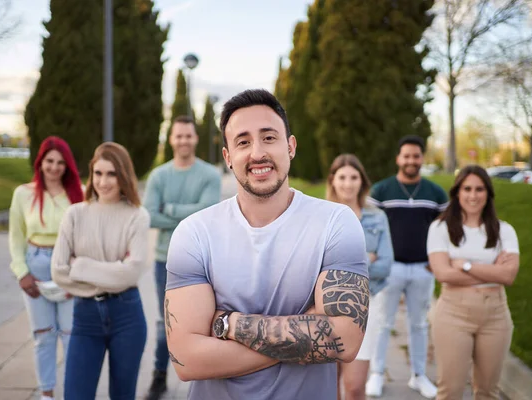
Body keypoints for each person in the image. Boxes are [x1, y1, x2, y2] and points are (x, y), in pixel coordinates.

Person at [163, 89, 369, 400]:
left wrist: (227, 324)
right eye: (243, 142)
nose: (257, 152)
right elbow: (187, 360)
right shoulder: (194, 233)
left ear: (291, 146)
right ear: (228, 157)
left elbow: (347, 341)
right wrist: (307, 334)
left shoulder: (336, 223)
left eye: (269, 137)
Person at [51, 142, 150, 399]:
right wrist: (111, 273)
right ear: (91, 173)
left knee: (122, 395)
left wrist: (80, 266)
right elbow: (58, 272)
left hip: (127, 316)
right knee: (75, 394)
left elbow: (132, 272)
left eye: (111, 174)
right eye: (98, 173)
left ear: (123, 175)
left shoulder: (137, 216)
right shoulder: (74, 214)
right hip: (85, 317)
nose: (103, 181)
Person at [143, 115, 222, 400]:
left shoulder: (210, 175)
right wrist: (190, 212)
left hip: (204, 259)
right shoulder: (159, 176)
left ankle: (204, 378)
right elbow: (150, 215)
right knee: (166, 321)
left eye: (188, 136)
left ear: (195, 138)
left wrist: (171, 208)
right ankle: (159, 377)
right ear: (171, 138)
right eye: (179, 136)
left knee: (204, 322)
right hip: (165, 259)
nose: (184, 141)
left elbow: (208, 213)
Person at [366, 135, 447, 399]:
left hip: (423, 269)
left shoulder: (435, 193)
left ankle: (419, 375)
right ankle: (377, 373)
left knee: (419, 324)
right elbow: (371, 227)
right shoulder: (381, 190)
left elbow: (445, 231)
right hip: (390, 269)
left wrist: (438, 262)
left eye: (416, 156)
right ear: (398, 158)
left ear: (422, 159)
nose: (411, 160)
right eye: (406, 156)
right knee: (382, 322)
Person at [427, 165, 519, 399]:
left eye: (479, 189)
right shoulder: (440, 228)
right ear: (457, 192)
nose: (473, 195)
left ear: (488, 193)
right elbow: (443, 274)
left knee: (488, 391)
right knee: (450, 390)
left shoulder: (504, 231)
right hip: (453, 315)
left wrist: (466, 265)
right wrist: (492, 270)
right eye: (467, 188)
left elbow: (508, 276)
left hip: (495, 316)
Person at [8, 136, 83, 400]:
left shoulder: (77, 194)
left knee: (70, 335)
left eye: (60, 162)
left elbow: (83, 238)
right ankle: (46, 394)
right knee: (43, 335)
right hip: (35, 265)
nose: (54, 167)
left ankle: (73, 392)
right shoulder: (23, 194)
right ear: (40, 162)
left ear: (67, 166)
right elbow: (16, 237)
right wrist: (21, 272)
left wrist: (77, 276)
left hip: (66, 267)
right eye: (50, 161)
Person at [326, 154, 393, 400]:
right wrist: (367, 259)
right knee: (327, 387)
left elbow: (385, 265)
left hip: (367, 305)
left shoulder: (377, 217)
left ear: (362, 181)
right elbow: (315, 268)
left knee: (354, 387)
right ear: (333, 181)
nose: (348, 183)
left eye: (354, 177)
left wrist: (341, 267)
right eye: (342, 177)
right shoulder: (321, 217)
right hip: (327, 309)